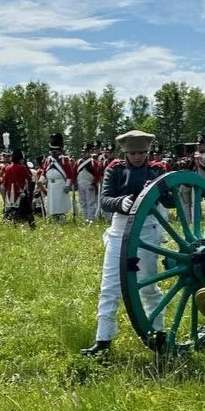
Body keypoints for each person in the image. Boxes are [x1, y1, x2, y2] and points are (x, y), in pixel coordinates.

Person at [82, 130, 172, 357]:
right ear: (126, 153)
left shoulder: (157, 170)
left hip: (148, 228)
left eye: (142, 152)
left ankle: (158, 334)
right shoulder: (116, 170)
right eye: (133, 153)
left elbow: (171, 200)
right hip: (120, 229)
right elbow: (104, 200)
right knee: (109, 287)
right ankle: (103, 340)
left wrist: (161, 187)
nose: (138, 157)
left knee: (148, 284)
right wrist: (121, 201)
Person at [41, 133, 76, 222]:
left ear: (60, 150)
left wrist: (68, 185)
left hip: (61, 186)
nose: (53, 152)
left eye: (55, 150)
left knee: (60, 205)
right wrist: (40, 183)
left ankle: (61, 220)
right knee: (51, 205)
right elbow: (44, 173)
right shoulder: (48, 160)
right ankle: (53, 219)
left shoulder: (65, 160)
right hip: (51, 186)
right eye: (52, 150)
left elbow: (70, 175)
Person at [1, 148, 35, 228]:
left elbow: (5, 183)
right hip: (21, 193)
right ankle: (32, 227)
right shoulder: (22, 167)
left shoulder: (7, 168)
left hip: (11, 194)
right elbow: (30, 178)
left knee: (14, 212)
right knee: (29, 212)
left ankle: (16, 227)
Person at [76, 142, 102, 223]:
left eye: (85, 152)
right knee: (83, 202)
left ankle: (91, 219)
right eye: (82, 152)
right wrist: (74, 184)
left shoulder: (93, 162)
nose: (83, 153)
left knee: (90, 202)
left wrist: (95, 184)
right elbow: (74, 173)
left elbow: (98, 174)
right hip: (80, 185)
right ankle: (85, 218)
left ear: (89, 152)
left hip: (90, 185)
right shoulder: (78, 162)